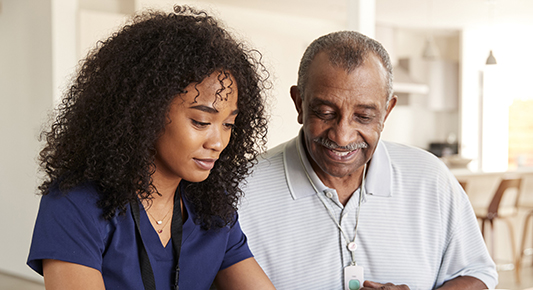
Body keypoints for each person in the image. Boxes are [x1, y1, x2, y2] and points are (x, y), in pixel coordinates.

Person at [27, 6, 275, 290]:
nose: (217, 143)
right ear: (146, 112)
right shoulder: (74, 204)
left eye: (229, 124)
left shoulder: (213, 209)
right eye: (201, 121)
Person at [237, 31, 498, 290]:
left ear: (387, 112)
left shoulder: (431, 177)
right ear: (299, 104)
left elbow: (476, 273)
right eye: (325, 113)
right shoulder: (242, 189)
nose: (342, 136)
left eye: (363, 116)